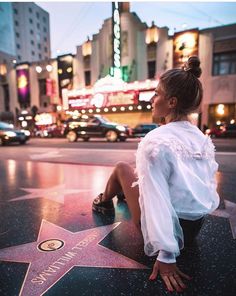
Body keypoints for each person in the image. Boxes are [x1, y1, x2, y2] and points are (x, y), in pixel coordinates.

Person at [92, 56, 220, 293]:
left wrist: (167, 255)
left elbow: (157, 201)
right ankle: (112, 196)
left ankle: (102, 201)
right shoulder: (201, 138)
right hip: (194, 227)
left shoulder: (155, 141)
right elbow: (205, 187)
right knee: (135, 173)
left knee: (122, 167)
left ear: (171, 102)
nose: (152, 99)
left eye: (157, 94)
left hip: (168, 232)